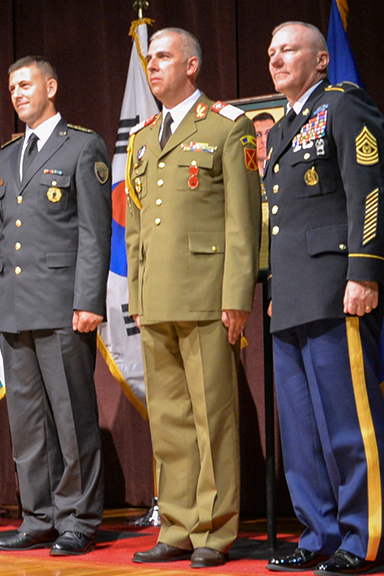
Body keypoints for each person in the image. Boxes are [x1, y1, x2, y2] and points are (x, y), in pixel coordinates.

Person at [124, 28, 262, 569]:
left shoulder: (228, 127)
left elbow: (241, 221)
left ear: (193, 65)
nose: (153, 66)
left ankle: (215, 530)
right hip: (157, 296)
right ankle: (177, 525)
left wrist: (237, 296)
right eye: (149, 58)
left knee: (214, 420)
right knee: (171, 421)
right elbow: (136, 225)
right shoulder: (143, 137)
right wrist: (137, 294)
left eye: (163, 57)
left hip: (208, 296)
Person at [262, 21, 384, 576]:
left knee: (346, 424)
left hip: (338, 290)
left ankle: (362, 541)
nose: (276, 58)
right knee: (300, 432)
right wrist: (273, 289)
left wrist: (364, 271)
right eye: (271, 51)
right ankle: (317, 532)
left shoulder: (343, 106)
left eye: (288, 48)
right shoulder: (279, 130)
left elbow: (372, 188)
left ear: (321, 60)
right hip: (291, 297)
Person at [0, 56, 112, 556]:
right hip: (13, 308)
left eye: (26, 84)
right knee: (29, 423)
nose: (17, 94)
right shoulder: (4, 157)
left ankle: (79, 518)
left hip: (62, 306)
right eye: (11, 87)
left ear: (51, 87)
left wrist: (87, 301)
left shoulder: (81, 145)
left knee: (72, 419)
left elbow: (93, 234)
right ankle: (39, 517)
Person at [252, 111, 277, 178]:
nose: (264, 140)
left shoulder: (286, 170)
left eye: (268, 133)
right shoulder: (246, 175)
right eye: (258, 135)